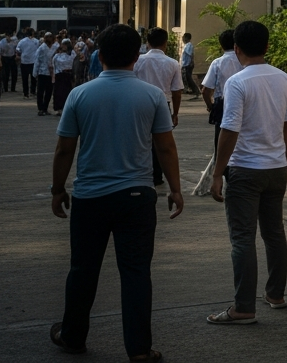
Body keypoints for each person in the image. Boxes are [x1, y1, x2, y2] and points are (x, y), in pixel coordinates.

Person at [49, 24, 183, 361]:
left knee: (83, 270)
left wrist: (57, 189)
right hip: (136, 197)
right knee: (136, 272)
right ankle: (138, 349)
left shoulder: (81, 94)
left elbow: (64, 150)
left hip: (89, 197)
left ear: (100, 55)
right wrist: (176, 189)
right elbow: (166, 148)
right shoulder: (152, 95)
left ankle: (73, 336)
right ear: (136, 57)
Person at [207, 20, 287, 325]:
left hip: (245, 169)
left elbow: (230, 128)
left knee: (243, 238)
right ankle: (276, 294)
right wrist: (281, 155)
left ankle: (243, 307)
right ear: (267, 46)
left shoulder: (237, 82)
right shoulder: (284, 79)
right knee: (274, 233)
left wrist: (217, 172)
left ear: (237, 49)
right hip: (276, 167)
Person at [133, 28, 183, 188]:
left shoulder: (138, 61)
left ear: (147, 43)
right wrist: (175, 113)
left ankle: (140, 172)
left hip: (140, 103)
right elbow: (177, 91)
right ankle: (157, 175)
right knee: (161, 141)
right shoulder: (172, 63)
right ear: (165, 43)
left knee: (140, 138)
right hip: (163, 104)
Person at [201, 30, 243, 154]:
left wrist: (211, 106)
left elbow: (205, 90)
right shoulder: (244, 61)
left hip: (222, 103)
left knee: (221, 136)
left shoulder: (217, 62)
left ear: (221, 45)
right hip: (242, 102)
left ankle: (221, 166)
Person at [34, 31, 57, 115]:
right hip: (42, 71)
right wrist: (35, 72)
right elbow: (37, 60)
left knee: (49, 91)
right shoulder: (41, 48)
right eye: (47, 37)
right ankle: (40, 108)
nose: (49, 39)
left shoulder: (55, 47)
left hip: (51, 73)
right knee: (40, 91)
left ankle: (45, 108)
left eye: (50, 37)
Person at [52, 40, 76, 115]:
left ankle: (67, 108)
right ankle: (59, 108)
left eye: (65, 45)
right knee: (58, 92)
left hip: (68, 75)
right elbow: (54, 64)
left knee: (67, 92)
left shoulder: (73, 54)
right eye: (63, 45)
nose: (64, 46)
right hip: (59, 75)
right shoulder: (57, 55)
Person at [19, 28, 41, 97]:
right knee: (33, 77)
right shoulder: (36, 41)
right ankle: (33, 91)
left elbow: (18, 49)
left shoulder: (22, 41)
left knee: (24, 78)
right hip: (33, 61)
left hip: (24, 61)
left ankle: (26, 92)